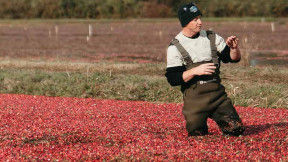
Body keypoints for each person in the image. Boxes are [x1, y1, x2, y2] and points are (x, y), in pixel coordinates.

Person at [165, 2, 245, 136]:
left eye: (199, 18)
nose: (200, 22)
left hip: (218, 96)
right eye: (195, 19)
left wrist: (234, 48)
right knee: (197, 134)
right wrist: (195, 71)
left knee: (236, 130)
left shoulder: (211, 37)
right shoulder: (175, 46)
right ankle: (197, 122)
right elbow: (173, 79)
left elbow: (233, 59)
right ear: (185, 22)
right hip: (194, 100)